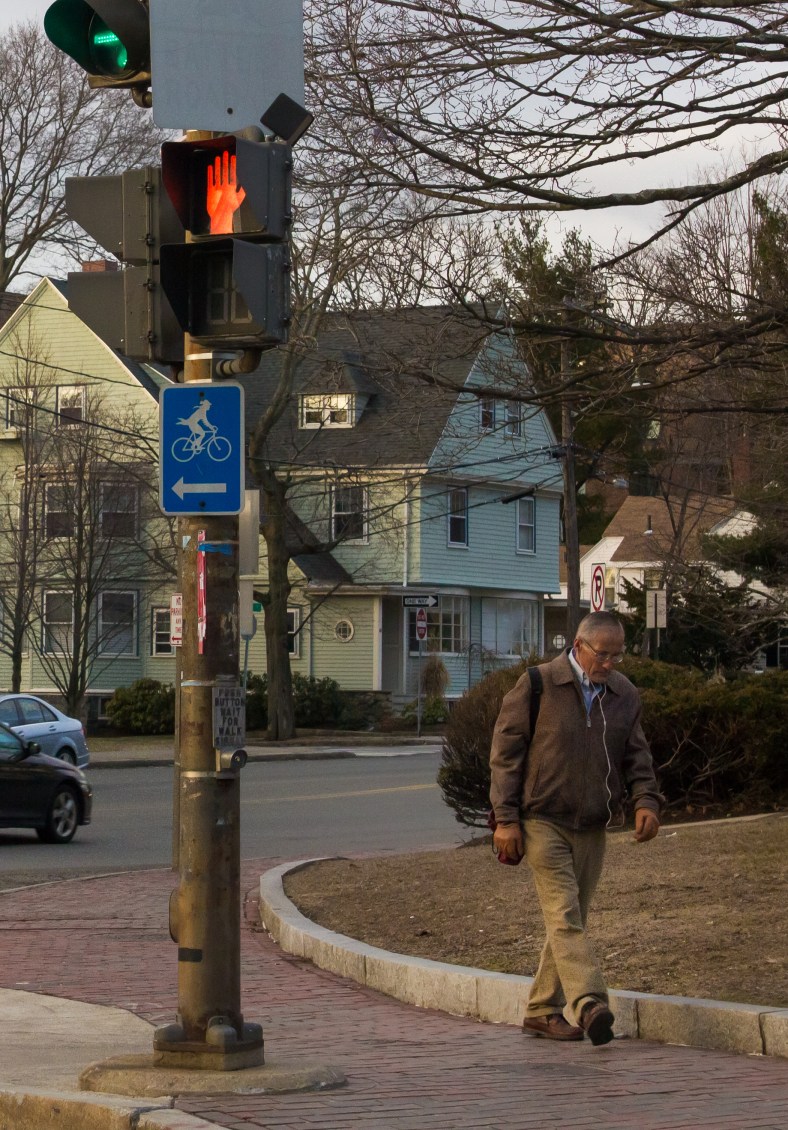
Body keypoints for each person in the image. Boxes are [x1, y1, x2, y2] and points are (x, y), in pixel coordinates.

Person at [489, 611, 663, 1046]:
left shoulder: (623, 694)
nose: (609, 663)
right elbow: (505, 757)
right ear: (578, 645)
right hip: (542, 819)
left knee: (570, 921)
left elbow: (637, 756)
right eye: (602, 654)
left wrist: (646, 801)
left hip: (593, 824)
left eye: (617, 656)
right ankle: (589, 1004)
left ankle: (540, 1010)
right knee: (565, 915)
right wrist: (506, 819)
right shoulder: (538, 684)